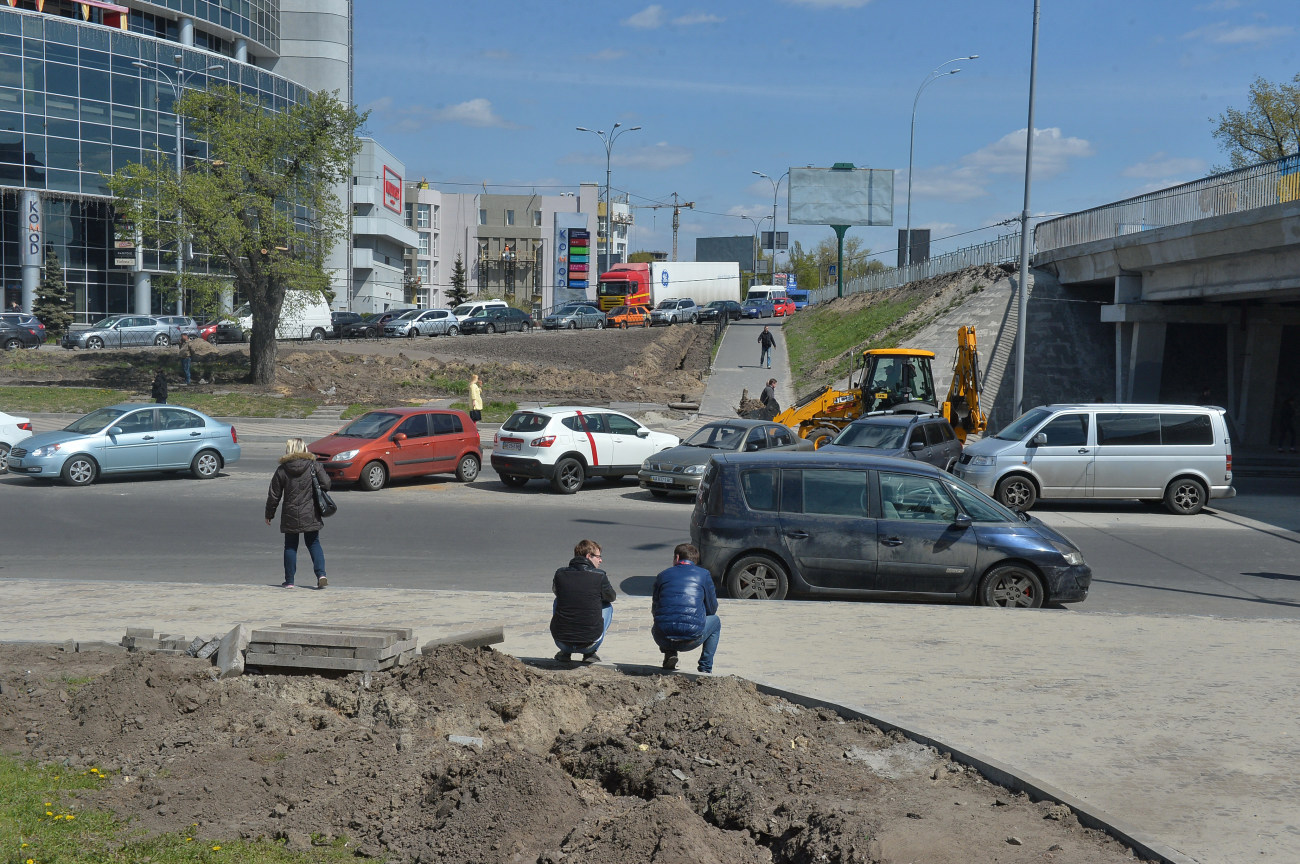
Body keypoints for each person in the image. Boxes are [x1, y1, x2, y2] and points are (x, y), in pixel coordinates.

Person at [264, 437, 330, 589]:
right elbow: (327, 483)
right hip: (310, 511)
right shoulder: (314, 465)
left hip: (290, 512)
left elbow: (274, 494)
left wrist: (269, 514)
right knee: (314, 543)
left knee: (290, 546)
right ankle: (321, 575)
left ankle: (290, 581)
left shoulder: (282, 469)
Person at [651, 543, 720, 674]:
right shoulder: (704, 575)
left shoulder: (662, 575)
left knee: (663, 618)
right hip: (691, 640)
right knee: (715, 621)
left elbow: (656, 607)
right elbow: (712, 609)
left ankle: (669, 653)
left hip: (662, 638)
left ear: (677, 558)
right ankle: (705, 668)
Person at [550, 539, 616, 664]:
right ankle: (590, 653)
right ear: (588, 556)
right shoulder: (599, 575)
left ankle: (566, 652)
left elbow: (557, 592)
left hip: (561, 642)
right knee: (607, 606)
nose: (600, 560)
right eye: (598, 557)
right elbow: (611, 597)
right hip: (589, 644)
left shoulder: (560, 573)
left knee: (558, 601)